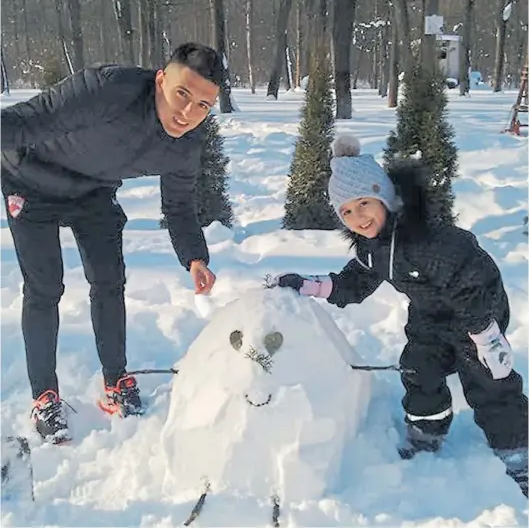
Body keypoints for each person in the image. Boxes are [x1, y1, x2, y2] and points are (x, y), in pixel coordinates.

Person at [272, 134, 528, 497]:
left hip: (477, 308)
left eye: (364, 203)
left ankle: (517, 450)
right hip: (429, 314)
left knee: (487, 378)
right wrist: (311, 285)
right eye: (346, 211)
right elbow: (355, 281)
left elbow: (471, 286)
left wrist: (486, 336)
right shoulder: (375, 246)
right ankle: (427, 430)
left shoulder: (430, 240)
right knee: (417, 366)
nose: (358, 217)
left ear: (386, 198)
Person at [1, 42, 220, 444]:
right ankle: (44, 396)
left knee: (109, 280)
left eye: (203, 105)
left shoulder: (184, 146)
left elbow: (178, 205)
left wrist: (194, 257)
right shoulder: (107, 89)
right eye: (182, 94)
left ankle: (116, 380)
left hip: (93, 191)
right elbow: (29, 121)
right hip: (29, 179)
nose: (188, 113)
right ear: (160, 80)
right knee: (45, 286)